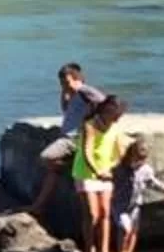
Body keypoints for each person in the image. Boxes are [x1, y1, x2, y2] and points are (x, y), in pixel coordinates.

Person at [29, 62, 109, 228]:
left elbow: (105, 101)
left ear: (77, 79)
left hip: (73, 139)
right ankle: (38, 206)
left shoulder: (84, 90)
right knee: (52, 172)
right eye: (61, 83)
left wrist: (93, 120)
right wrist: (65, 93)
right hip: (68, 137)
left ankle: (68, 166)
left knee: (45, 158)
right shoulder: (74, 95)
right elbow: (67, 111)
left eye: (66, 81)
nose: (63, 85)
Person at [70, 94, 128, 252]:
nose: (116, 118)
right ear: (105, 110)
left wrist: (114, 168)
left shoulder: (115, 128)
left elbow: (120, 152)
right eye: (114, 114)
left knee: (105, 213)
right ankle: (89, 251)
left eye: (119, 115)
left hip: (106, 172)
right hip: (86, 172)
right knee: (92, 214)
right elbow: (87, 152)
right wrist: (97, 171)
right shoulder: (89, 125)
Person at [108, 137, 156, 252]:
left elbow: (152, 182)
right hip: (119, 205)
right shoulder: (120, 168)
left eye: (143, 160)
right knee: (125, 229)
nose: (140, 162)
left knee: (134, 230)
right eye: (137, 159)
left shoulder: (146, 169)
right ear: (130, 155)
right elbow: (109, 175)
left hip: (135, 205)